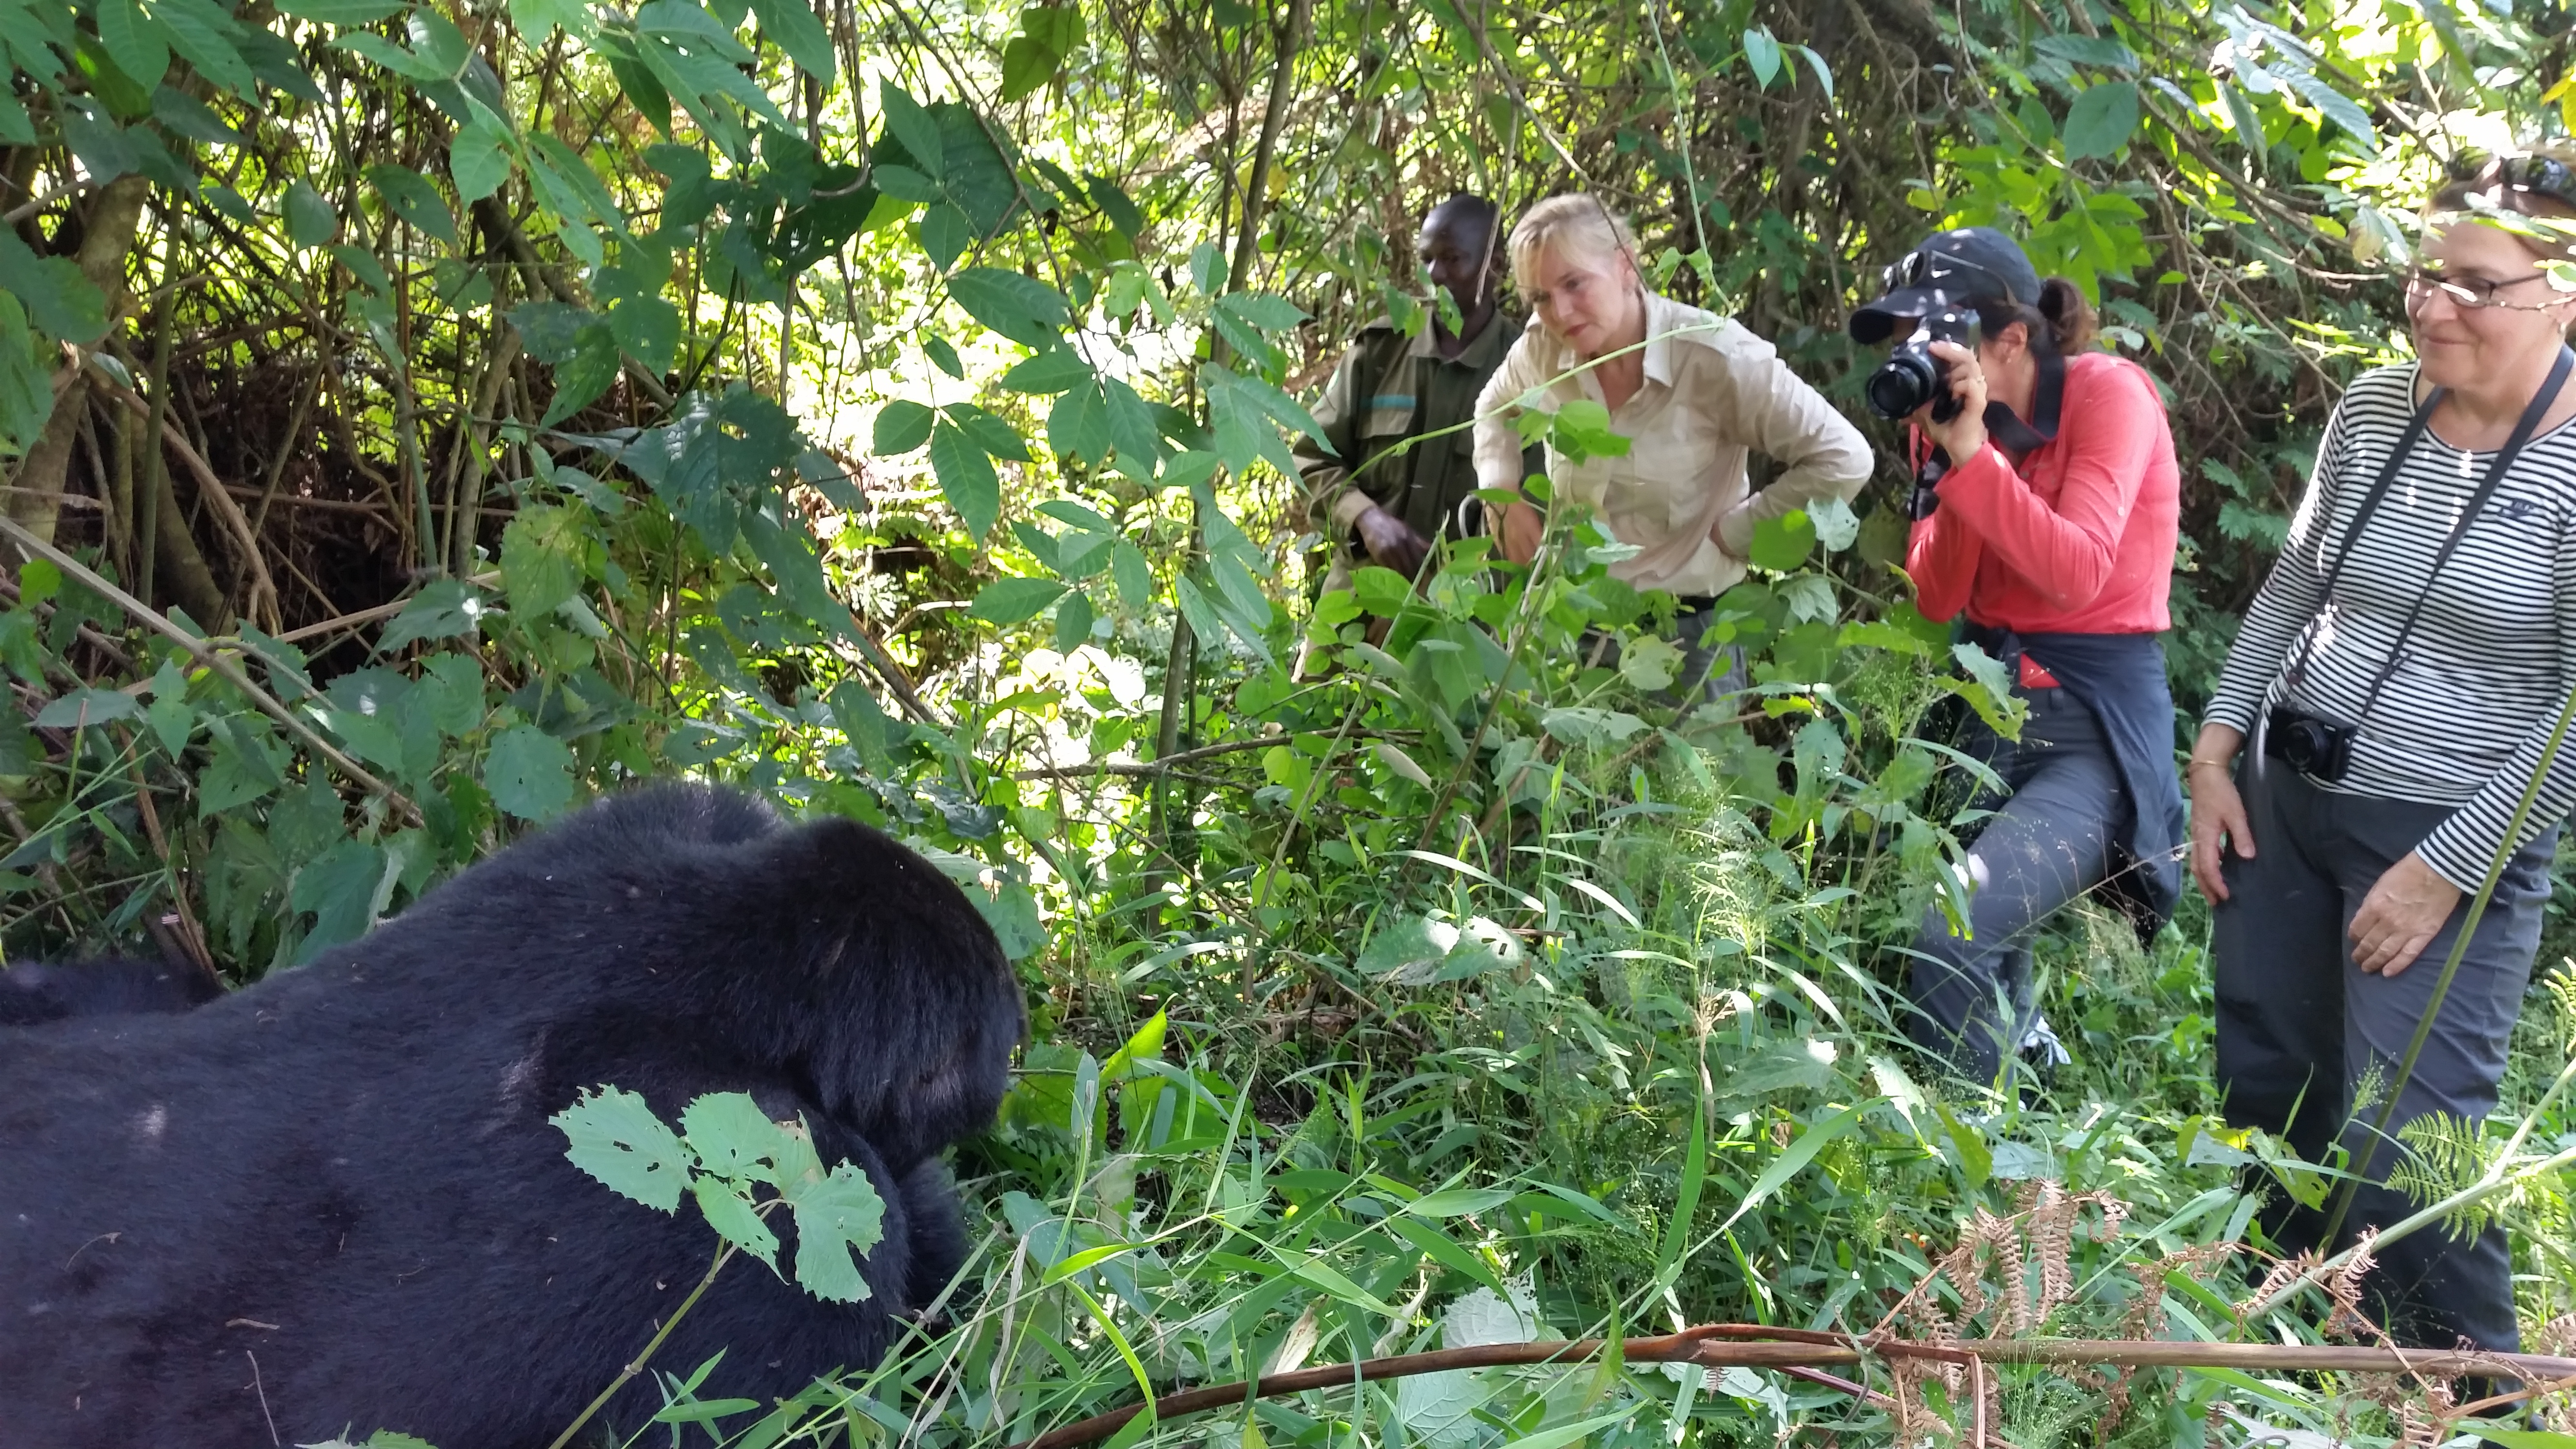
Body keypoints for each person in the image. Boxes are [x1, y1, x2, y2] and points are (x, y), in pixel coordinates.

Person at [2189, 149, 2576, 1352]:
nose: (2430, 303)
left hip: (2446, 835)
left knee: (2410, 1143)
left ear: (2561, 296)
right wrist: (2214, 746)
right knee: (2265, 1079)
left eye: (2472, 284)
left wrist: (2446, 862)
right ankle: (2273, 1351)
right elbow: (2296, 579)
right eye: (2421, 274)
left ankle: (2472, 1397)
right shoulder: (2371, 406)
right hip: (2285, 799)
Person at [1857, 226, 2186, 1089]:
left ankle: (1966, 1161)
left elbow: (2075, 570)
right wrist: (1962, 449)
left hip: (2090, 720)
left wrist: (1973, 456)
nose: (1918, 357)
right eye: (1905, 339)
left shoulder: (2108, 396)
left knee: (1954, 924)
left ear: (2011, 337)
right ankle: (2024, 1129)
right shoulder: (1947, 421)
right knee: (1988, 953)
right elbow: (1937, 595)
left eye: (1934, 336)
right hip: (1990, 695)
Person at [1471, 194, 1870, 705]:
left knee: (1691, 785)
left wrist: (1738, 532)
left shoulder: (1714, 356)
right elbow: (1493, 405)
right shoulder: (1543, 350)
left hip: (1690, 639)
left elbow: (1844, 458)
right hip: (1569, 624)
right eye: (1540, 298)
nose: (1559, 312)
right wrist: (1500, 491)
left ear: (1624, 264)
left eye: (1573, 284)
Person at [1295, 194, 1530, 671]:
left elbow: (1544, 509)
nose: (1434, 277)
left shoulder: (1528, 369)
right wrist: (1364, 518)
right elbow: (1310, 457)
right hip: (1355, 607)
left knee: (1435, 746)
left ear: (1496, 267)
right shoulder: (1379, 351)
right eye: (1425, 260)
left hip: (1462, 627)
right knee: (1310, 739)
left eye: (1452, 259)